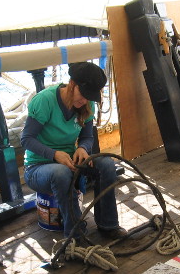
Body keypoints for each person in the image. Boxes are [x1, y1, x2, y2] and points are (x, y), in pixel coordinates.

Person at [21, 61, 126, 240]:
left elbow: (87, 136)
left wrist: (83, 148)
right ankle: (75, 235)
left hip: (70, 161)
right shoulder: (45, 100)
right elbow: (26, 139)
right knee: (61, 174)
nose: (84, 100)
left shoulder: (86, 105)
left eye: (90, 97)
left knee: (107, 165)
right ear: (72, 84)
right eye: (83, 94)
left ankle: (108, 225)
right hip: (38, 167)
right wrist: (54, 154)